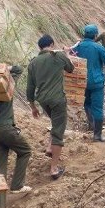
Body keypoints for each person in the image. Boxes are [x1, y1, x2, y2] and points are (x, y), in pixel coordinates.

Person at [26, 34, 74, 180]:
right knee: (59, 131)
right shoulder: (57, 56)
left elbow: (30, 88)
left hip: (43, 100)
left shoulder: (33, 63)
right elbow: (70, 68)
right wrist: (66, 53)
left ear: (40, 47)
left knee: (55, 122)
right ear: (52, 44)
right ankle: (54, 169)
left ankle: (49, 147)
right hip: (57, 99)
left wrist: (33, 107)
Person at [0, 65, 32, 208]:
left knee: (0, 167)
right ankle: (17, 185)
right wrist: (5, 67)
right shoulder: (6, 86)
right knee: (25, 150)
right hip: (6, 129)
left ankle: (0, 206)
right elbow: (18, 69)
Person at [72, 25, 105, 142]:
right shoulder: (98, 47)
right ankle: (97, 134)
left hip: (82, 81)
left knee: (87, 103)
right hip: (96, 82)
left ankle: (91, 125)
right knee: (97, 107)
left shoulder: (78, 46)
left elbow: (72, 58)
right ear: (95, 36)